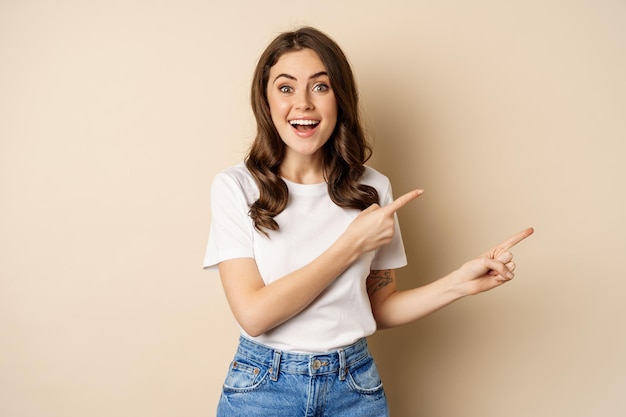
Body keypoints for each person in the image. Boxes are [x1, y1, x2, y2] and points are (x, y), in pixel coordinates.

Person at [203, 26, 533, 417]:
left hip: (354, 387)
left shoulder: (372, 188)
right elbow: (254, 315)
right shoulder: (236, 187)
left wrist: (459, 283)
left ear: (340, 98)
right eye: (286, 88)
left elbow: (378, 307)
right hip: (263, 387)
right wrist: (350, 246)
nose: (303, 103)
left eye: (320, 87)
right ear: (266, 99)